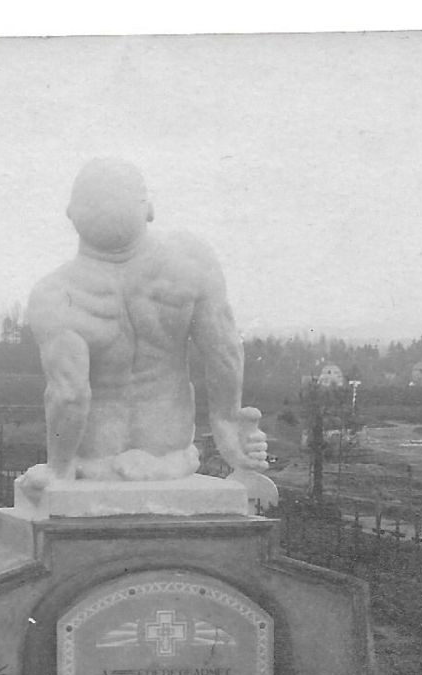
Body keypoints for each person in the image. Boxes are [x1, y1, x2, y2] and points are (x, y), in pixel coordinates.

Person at [19, 158, 269, 501]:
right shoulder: (190, 259)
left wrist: (58, 470)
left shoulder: (56, 294)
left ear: (71, 214)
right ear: (148, 208)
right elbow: (224, 351)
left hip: (95, 455)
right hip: (167, 451)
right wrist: (226, 423)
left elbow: (69, 396)